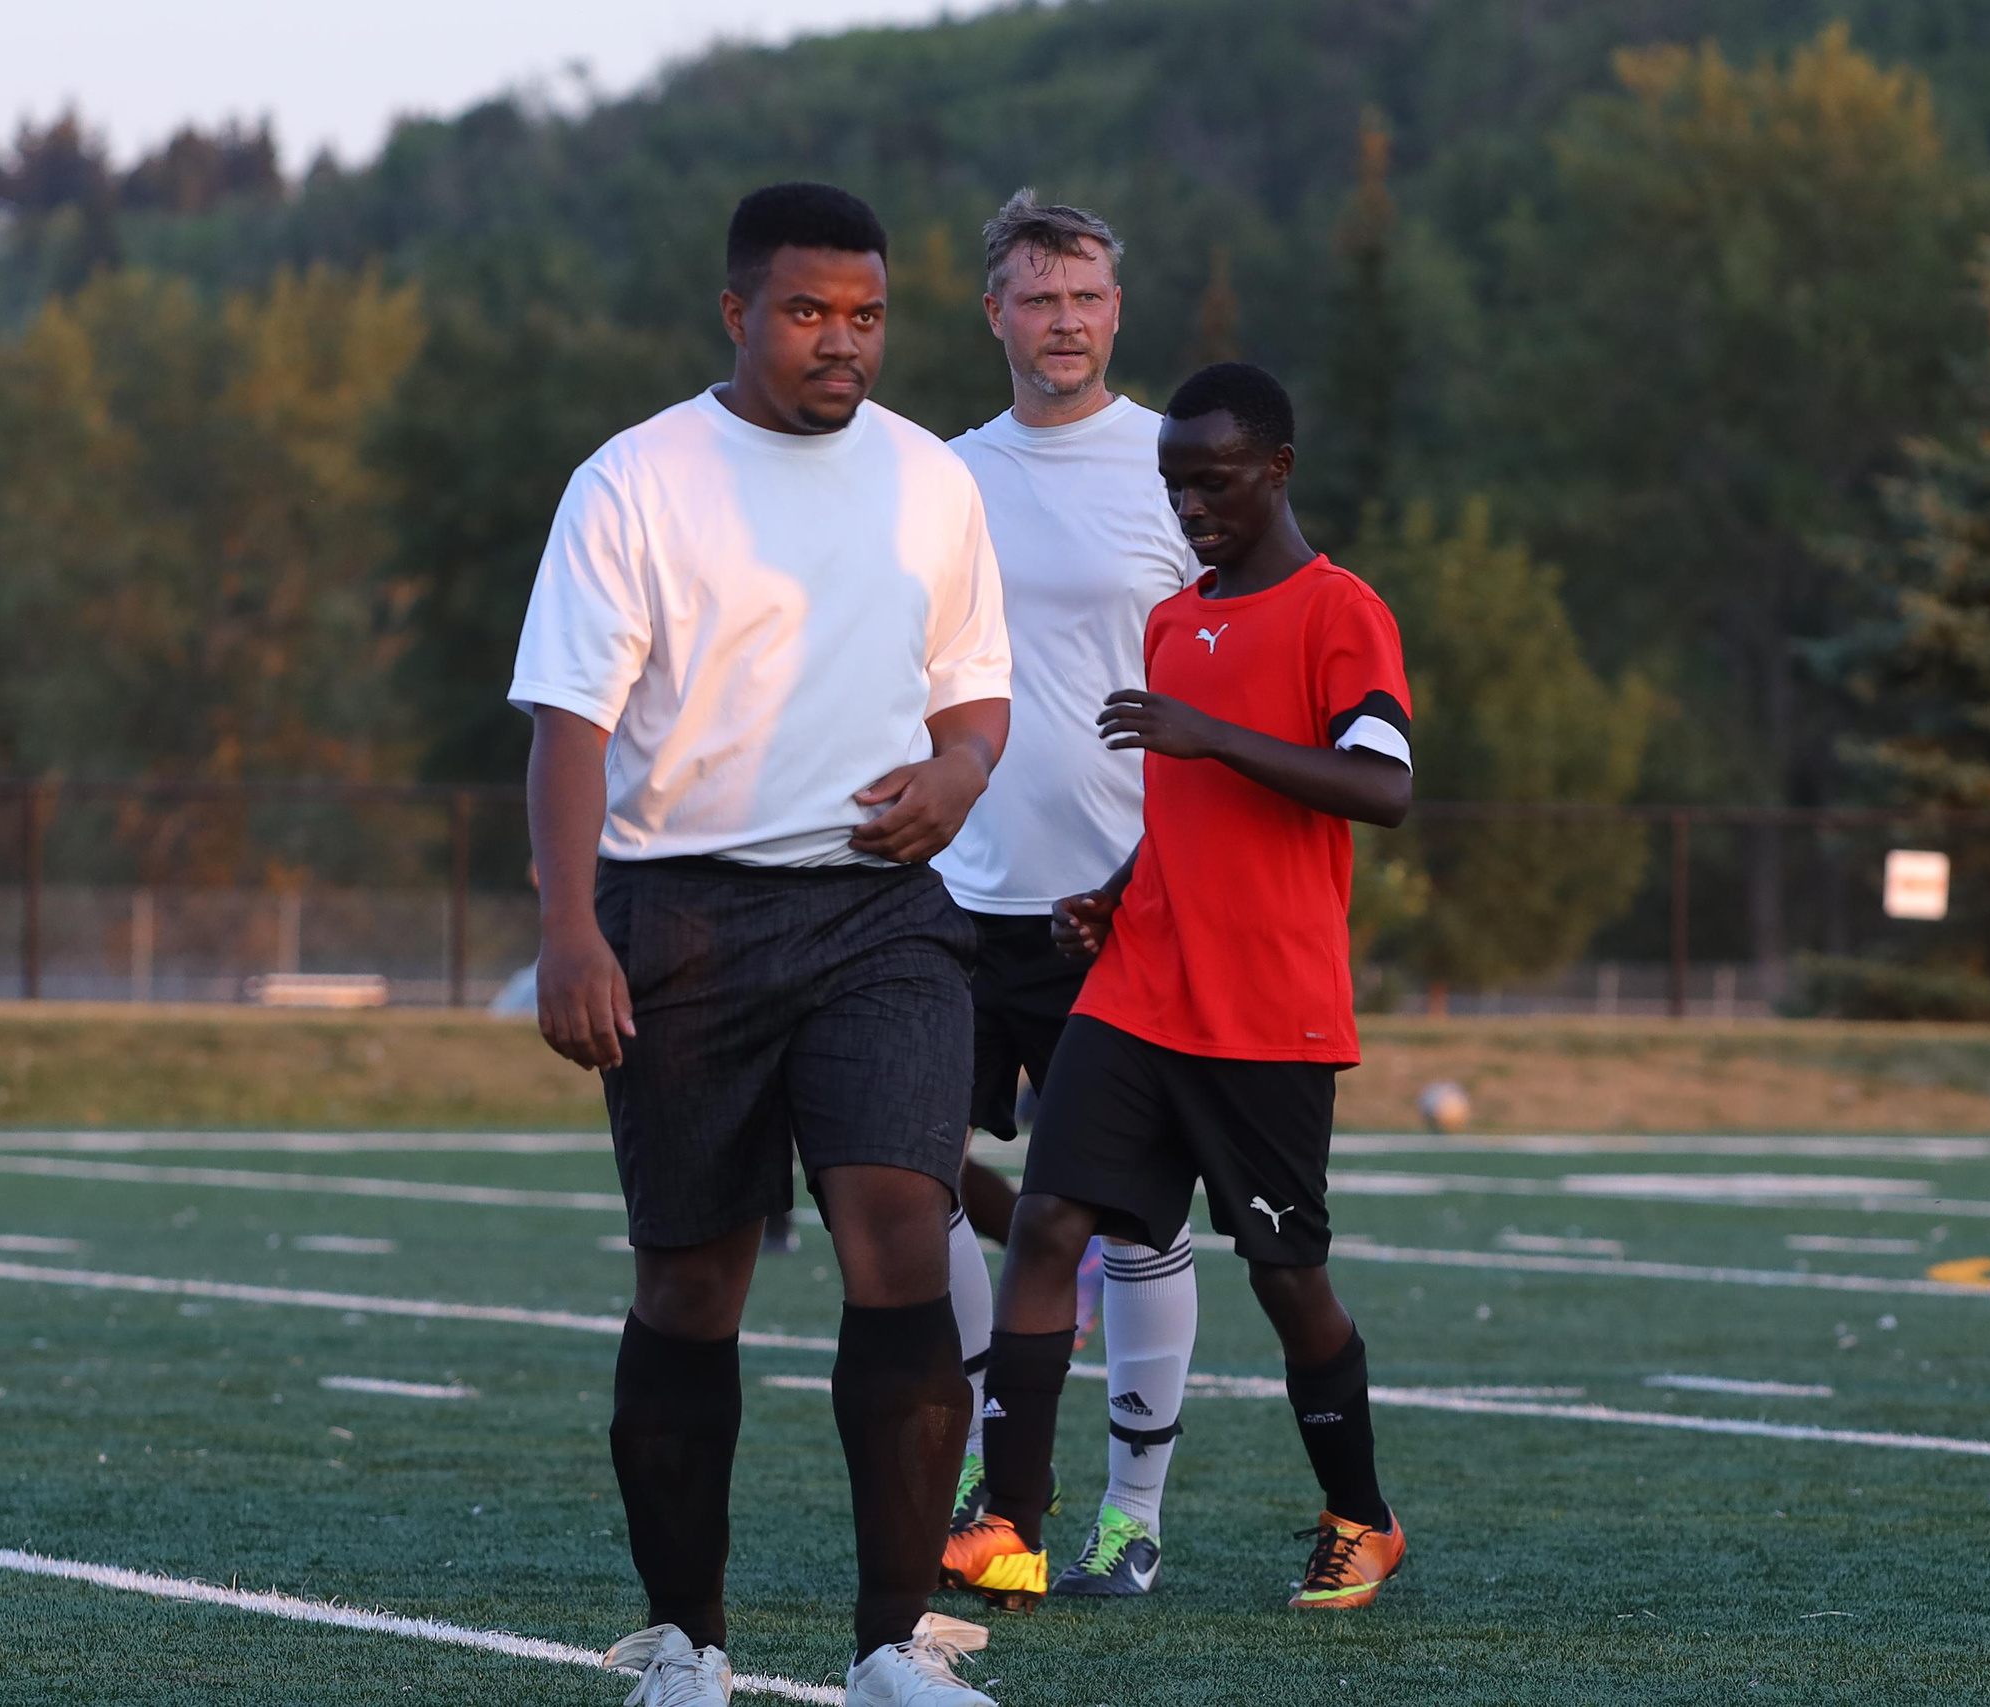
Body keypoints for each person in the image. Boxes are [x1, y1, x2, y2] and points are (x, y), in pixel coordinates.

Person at [510, 182, 1011, 1707]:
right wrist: (568, 926)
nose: (839, 341)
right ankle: (689, 1638)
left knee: (900, 1238)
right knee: (691, 1287)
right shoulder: (635, 480)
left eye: (864, 314)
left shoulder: (932, 479)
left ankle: (888, 1642)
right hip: (681, 916)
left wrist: (959, 774)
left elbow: (975, 689)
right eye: (806, 312)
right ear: (737, 311)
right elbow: (567, 725)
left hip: (878, 914)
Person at [944, 363, 1415, 1614]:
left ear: (1277, 470)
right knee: (1049, 1223)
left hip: (1266, 1007)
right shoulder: (1173, 622)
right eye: (1173, 487)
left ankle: (1360, 1517)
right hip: (1138, 981)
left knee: (1284, 1277)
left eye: (1211, 482)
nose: (1190, 507)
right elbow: (1187, 812)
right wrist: (1117, 883)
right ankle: (1013, 1525)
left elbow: (1382, 787)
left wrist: (1213, 738)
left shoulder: (1338, 612)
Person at [933, 190, 1202, 1597]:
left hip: (1123, 903)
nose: (1064, 322)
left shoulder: (1174, 463)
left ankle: (1130, 1516)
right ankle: (994, 1464)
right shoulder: (937, 473)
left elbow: (1243, 656)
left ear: (1117, 308)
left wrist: (1173, 865)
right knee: (908, 1179)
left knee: (1138, 1217)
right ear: (995, 312)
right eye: (1038, 297)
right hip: (948, 897)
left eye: (1086, 296)